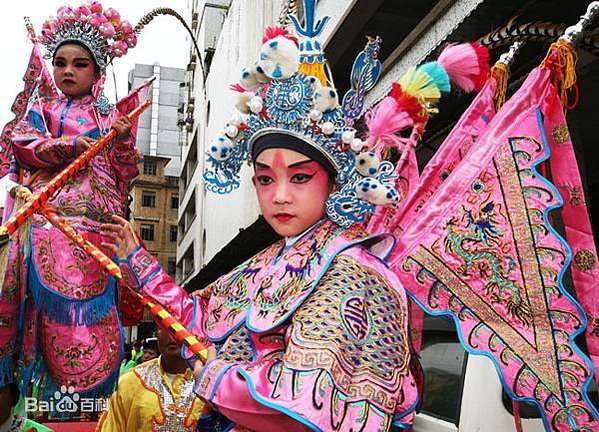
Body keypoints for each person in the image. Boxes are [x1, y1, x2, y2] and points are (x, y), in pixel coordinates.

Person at [101, 8, 419, 430]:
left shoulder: (351, 271)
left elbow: (303, 407)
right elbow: (201, 316)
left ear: (333, 182)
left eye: (301, 177)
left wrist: (215, 379)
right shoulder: (269, 259)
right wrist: (138, 262)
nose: (280, 196)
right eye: (265, 179)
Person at [0, 2, 143, 402]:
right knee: (42, 305)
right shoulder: (42, 108)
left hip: (99, 226)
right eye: (61, 62)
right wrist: (68, 145)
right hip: (51, 218)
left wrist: (123, 138)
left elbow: (125, 171)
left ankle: (90, 399)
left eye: (80, 64)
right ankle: (39, 395)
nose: (67, 71)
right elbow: (23, 146)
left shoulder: (108, 113)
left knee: (94, 305)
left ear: (97, 71)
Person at [97, 328, 204, 431]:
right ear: (157, 334)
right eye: (166, 328)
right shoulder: (130, 381)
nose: (173, 335)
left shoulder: (213, 382)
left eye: (181, 326)